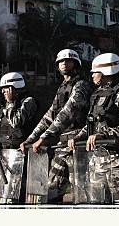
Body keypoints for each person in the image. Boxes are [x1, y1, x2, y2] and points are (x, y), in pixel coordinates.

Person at [20, 49, 92, 203]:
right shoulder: (62, 88)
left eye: (68, 60)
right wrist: (31, 139)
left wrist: (44, 138)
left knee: (81, 190)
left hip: (78, 144)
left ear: (75, 63)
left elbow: (67, 113)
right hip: (62, 144)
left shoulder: (81, 85)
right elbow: (49, 116)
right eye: (61, 61)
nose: (64, 63)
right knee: (52, 190)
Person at [68, 53, 119, 204]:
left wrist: (102, 135)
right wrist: (78, 137)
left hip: (116, 160)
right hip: (96, 160)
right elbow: (90, 125)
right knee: (97, 203)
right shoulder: (96, 95)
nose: (92, 75)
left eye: (95, 71)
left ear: (106, 71)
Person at [0, 72, 38, 151]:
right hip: (3, 150)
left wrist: (10, 102)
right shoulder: (5, 105)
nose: (3, 91)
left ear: (14, 87)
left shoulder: (29, 101)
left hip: (20, 150)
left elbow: (15, 123)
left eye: (5, 88)